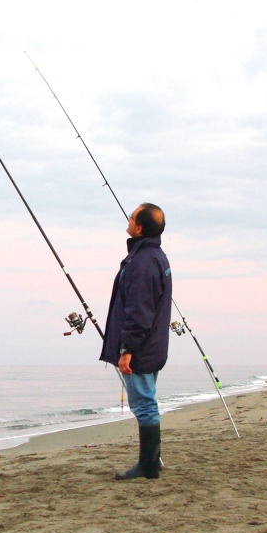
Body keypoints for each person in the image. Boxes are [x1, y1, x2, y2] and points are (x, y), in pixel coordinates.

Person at [100, 203, 172, 481]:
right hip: (151, 344)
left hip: (141, 347)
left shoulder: (143, 262)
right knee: (145, 401)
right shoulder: (155, 256)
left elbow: (139, 311)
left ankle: (149, 466)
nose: (127, 221)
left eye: (131, 217)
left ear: (140, 227)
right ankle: (151, 462)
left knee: (143, 404)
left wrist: (127, 349)